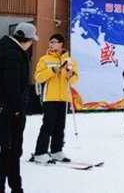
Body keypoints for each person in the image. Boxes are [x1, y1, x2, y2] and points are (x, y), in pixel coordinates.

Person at [0, 22, 38, 193]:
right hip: (10, 111)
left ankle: (16, 187)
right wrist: (18, 108)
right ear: (27, 40)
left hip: (6, 108)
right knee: (8, 153)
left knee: (12, 152)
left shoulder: (5, 49)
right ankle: (2, 189)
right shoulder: (14, 54)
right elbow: (11, 84)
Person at [31, 34, 79, 163]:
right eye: (50, 42)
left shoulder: (70, 60)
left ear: (61, 44)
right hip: (49, 97)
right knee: (48, 125)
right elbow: (38, 77)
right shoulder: (44, 59)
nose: (51, 44)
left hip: (64, 97)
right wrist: (52, 71)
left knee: (60, 125)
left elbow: (75, 79)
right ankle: (40, 152)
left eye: (54, 42)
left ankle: (56, 150)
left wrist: (71, 74)